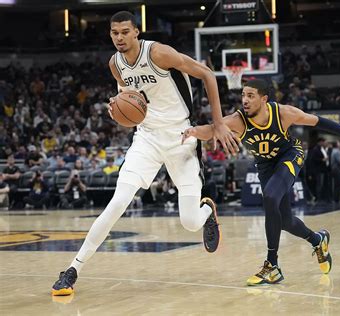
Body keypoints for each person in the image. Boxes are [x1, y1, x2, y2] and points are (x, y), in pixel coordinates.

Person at [52, 11, 239, 296]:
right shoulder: (115, 64)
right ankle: (73, 269)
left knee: (190, 223)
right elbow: (131, 103)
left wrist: (217, 124)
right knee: (117, 204)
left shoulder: (159, 53)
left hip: (181, 137)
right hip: (147, 139)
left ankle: (207, 211)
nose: (119, 37)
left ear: (136, 32)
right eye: (114, 32)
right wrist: (117, 109)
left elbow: (207, 74)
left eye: (125, 31)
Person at [182, 79, 340, 285]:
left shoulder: (283, 113)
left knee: (270, 196)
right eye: (243, 95)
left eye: (251, 96)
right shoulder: (237, 120)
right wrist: (194, 131)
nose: (245, 100)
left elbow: (321, 122)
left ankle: (272, 265)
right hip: (266, 165)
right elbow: (212, 128)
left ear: (264, 99)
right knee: (285, 221)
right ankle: (318, 240)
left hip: (289, 155)